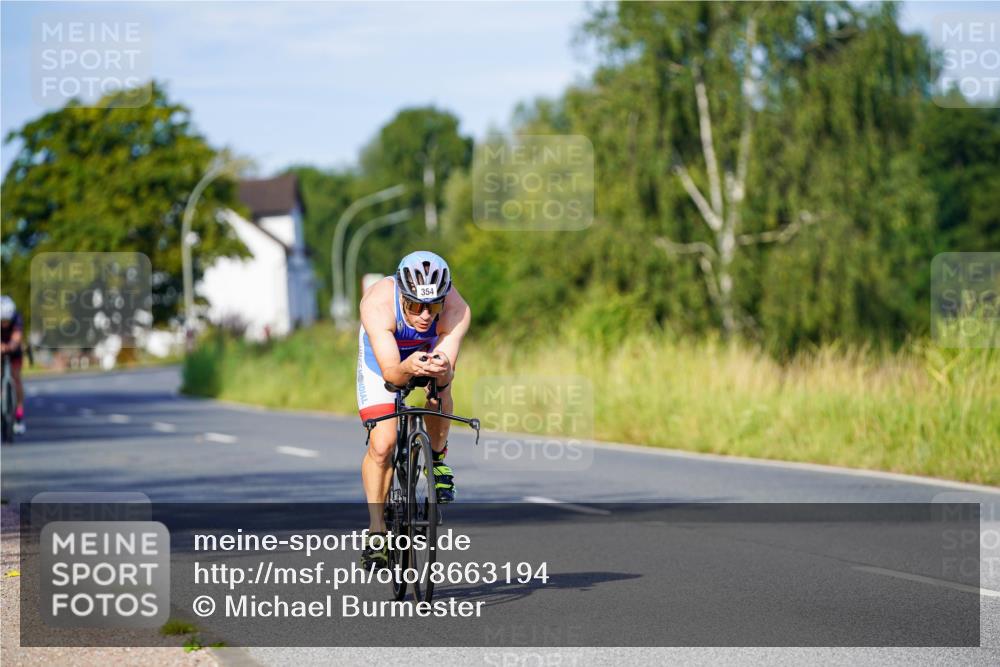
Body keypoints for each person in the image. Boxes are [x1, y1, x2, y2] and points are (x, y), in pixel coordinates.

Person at [356, 251, 471, 570]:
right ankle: (377, 530)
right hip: (382, 360)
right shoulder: (377, 303)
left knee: (441, 386)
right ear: (401, 297)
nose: (423, 315)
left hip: (426, 350)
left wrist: (439, 370)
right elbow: (392, 373)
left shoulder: (457, 309)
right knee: (384, 444)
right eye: (414, 306)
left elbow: (447, 372)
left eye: (432, 306)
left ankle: (436, 461)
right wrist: (406, 368)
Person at [1, 295, 26, 435]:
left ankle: (19, 414)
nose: (5, 324)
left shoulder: (16, 317)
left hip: (13, 349)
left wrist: (12, 345)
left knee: (16, 377)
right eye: (2, 321)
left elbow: (17, 336)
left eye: (7, 321)